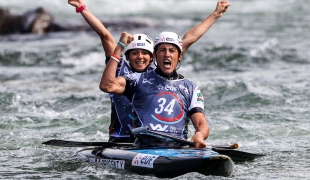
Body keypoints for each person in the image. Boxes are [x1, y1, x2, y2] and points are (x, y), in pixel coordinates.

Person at [69, 0, 230, 144]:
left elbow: (187, 39)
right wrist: (82, 8)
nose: (140, 57)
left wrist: (216, 14)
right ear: (128, 56)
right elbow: (105, 36)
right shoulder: (123, 72)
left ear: (152, 56)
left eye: (145, 53)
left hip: (155, 140)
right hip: (122, 138)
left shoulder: (161, 68)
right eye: (134, 53)